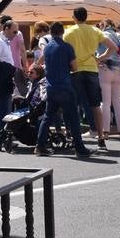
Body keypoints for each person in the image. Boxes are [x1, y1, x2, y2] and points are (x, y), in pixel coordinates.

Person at [35, 22, 92, 158]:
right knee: (73, 117)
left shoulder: (47, 48)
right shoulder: (67, 47)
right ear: (62, 32)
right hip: (65, 86)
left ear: (51, 32)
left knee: (48, 117)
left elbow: (40, 62)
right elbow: (75, 67)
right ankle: (79, 147)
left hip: (51, 87)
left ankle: (40, 146)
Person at [63, 6, 114, 150]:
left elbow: (65, 51)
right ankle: (100, 137)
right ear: (87, 17)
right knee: (95, 105)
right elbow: (113, 47)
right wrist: (101, 58)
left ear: (74, 17)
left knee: (74, 105)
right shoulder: (95, 30)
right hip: (92, 69)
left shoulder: (69, 32)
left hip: (75, 70)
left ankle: (73, 136)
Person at [0, 19, 20, 146]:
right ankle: (3, 139)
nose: (16, 34)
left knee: (1, 109)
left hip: (2, 78)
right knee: (3, 110)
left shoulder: (3, 41)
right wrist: (9, 69)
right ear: (6, 29)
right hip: (0, 79)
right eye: (14, 31)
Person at [98, 20, 120, 139]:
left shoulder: (103, 35)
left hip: (106, 67)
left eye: (100, 25)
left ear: (105, 25)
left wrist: (99, 58)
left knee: (105, 102)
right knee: (118, 101)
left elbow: (107, 48)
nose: (99, 27)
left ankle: (105, 131)